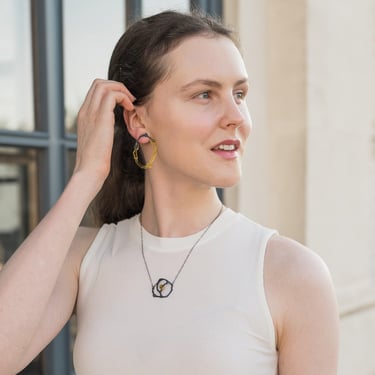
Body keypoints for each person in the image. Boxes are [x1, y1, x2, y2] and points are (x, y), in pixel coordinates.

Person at [0, 10, 339, 375]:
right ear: (138, 121)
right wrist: (86, 176)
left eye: (239, 93)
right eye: (205, 94)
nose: (236, 116)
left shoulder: (291, 273)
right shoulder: (83, 258)